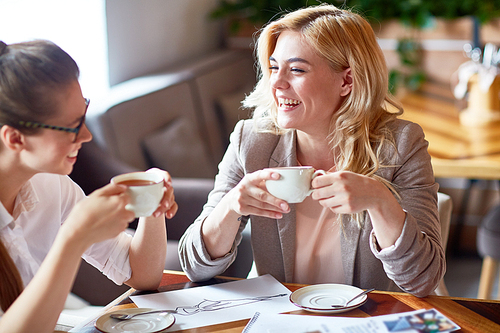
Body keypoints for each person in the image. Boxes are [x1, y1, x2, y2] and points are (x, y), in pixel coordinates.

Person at [179, 4, 445, 297]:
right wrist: (231, 205)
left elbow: (423, 280)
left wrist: (381, 201)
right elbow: (194, 267)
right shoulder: (252, 140)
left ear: (347, 81)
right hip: (278, 318)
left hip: (362, 322)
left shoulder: (401, 145)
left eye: (296, 70)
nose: (277, 83)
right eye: (273, 67)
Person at [0, 40, 178, 332]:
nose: (86, 135)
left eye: (83, 114)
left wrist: (150, 202)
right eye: (71, 126)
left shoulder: (51, 186)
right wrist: (73, 238)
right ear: (16, 139)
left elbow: (142, 275)